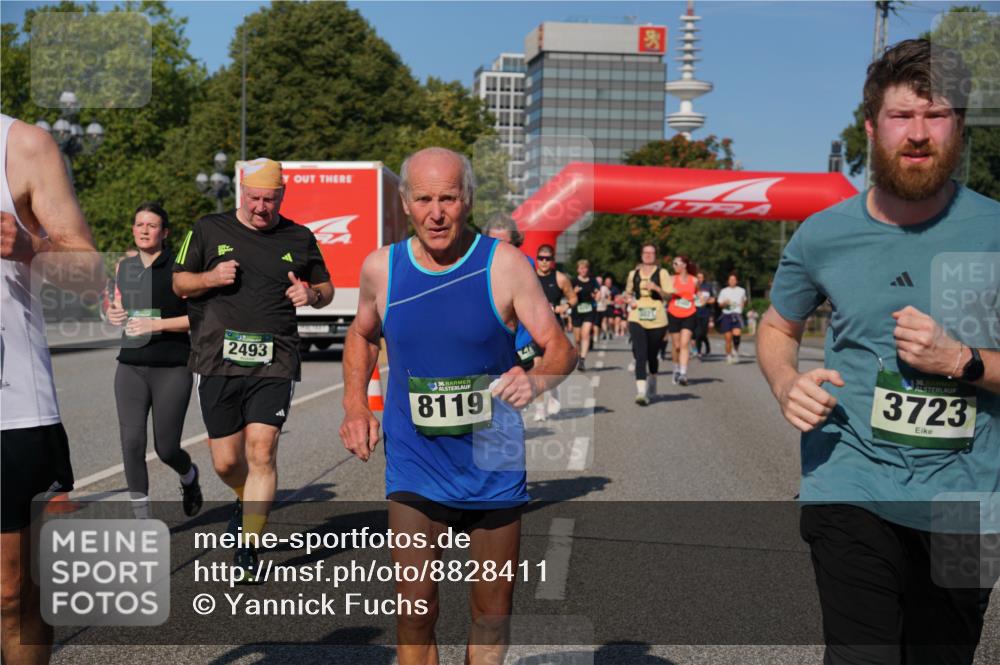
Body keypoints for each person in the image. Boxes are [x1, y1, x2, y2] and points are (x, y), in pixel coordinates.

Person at [758, 39, 999, 665]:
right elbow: (778, 327)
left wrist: (962, 361)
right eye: (901, 116)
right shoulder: (824, 235)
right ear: (871, 127)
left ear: (959, 127)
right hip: (849, 480)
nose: (917, 134)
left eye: (935, 115)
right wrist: (786, 384)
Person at [338, 147, 576, 665]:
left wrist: (535, 381)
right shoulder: (383, 268)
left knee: (491, 611)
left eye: (448, 198)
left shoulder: (505, 265)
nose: (436, 212)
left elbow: (561, 347)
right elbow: (360, 336)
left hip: (492, 462)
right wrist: (357, 405)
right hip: (414, 462)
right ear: (405, 203)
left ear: (466, 200)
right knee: (414, 609)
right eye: (424, 199)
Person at [173, 157, 334, 581]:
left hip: (276, 355)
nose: (262, 207)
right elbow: (179, 283)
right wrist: (210, 278)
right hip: (217, 357)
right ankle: (245, 500)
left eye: (270, 199)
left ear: (282, 196)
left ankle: (248, 548)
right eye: (255, 198)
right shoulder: (208, 228)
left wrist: (310, 294)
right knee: (227, 462)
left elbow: (327, 289)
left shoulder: (298, 237)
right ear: (242, 192)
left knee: (262, 449)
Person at [1, 113, 102, 665]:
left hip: (11, 407)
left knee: (13, 593)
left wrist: (29, 246)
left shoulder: (22, 145)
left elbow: (89, 274)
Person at [107, 202, 201, 520]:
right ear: (133, 229)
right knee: (132, 443)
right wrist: (113, 312)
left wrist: (157, 325)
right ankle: (142, 521)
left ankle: (189, 476)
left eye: (151, 225)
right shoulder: (124, 267)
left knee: (166, 449)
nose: (144, 230)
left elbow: (200, 318)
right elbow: (117, 306)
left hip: (172, 366)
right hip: (130, 365)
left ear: (165, 232)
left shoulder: (180, 268)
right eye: (139, 225)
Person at [531, 243, 577, 421]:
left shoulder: (560, 278)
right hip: (533, 329)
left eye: (547, 259)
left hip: (554, 329)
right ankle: (540, 408)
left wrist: (563, 306)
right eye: (541, 258)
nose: (543, 262)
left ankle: (554, 393)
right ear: (536, 260)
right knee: (537, 367)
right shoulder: (530, 277)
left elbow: (573, 298)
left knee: (551, 367)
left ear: (552, 261)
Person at [624, 244, 672, 405]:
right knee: (640, 354)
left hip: (657, 318)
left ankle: (653, 378)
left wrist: (656, 288)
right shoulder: (633, 274)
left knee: (652, 356)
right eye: (646, 252)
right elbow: (628, 293)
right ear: (641, 254)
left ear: (655, 255)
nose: (648, 255)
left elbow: (669, 296)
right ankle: (641, 392)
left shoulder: (662, 273)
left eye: (652, 253)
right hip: (637, 316)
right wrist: (630, 300)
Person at [667, 255, 698, 386]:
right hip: (674, 313)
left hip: (689, 313)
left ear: (684, 265)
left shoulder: (695, 280)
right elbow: (666, 294)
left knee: (685, 344)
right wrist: (670, 292)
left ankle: (683, 374)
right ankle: (676, 369)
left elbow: (696, 294)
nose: (673, 266)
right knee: (677, 346)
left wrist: (699, 299)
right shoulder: (671, 279)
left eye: (675, 263)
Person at [571, 259, 600, 371]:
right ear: (578, 269)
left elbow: (597, 292)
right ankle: (578, 356)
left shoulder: (592, 281)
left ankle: (582, 359)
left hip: (589, 310)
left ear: (588, 269)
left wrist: (597, 296)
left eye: (585, 268)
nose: (583, 270)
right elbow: (568, 295)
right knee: (577, 339)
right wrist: (574, 292)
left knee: (586, 334)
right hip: (576, 311)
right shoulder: (573, 281)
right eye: (581, 268)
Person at [717, 272, 748, 364]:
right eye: (730, 279)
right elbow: (720, 305)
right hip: (726, 315)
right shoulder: (724, 291)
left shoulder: (742, 290)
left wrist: (743, 304)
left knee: (737, 335)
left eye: (734, 279)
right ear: (728, 281)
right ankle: (728, 355)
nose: (732, 281)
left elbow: (744, 301)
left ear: (737, 281)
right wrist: (724, 303)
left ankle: (735, 350)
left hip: (737, 314)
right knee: (728, 338)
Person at [693, 272, 715, 359]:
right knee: (697, 333)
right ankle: (699, 352)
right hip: (695, 312)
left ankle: (707, 344)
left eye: (701, 277)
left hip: (706, 312)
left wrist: (706, 301)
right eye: (698, 277)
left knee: (703, 333)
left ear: (704, 278)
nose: (699, 279)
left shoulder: (708, 287)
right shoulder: (693, 286)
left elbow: (713, 299)